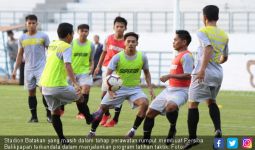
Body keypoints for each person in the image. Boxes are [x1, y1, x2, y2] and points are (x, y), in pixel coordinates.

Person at [87, 32, 155, 138]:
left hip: (134, 89)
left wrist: (150, 88)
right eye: (128, 41)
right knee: (101, 109)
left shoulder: (142, 57)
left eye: (133, 41)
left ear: (137, 43)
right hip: (118, 88)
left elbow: (147, 73)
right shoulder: (117, 57)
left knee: (145, 103)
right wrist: (109, 90)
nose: (131, 43)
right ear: (124, 42)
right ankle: (92, 132)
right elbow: (108, 74)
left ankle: (132, 131)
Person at [183, 5, 229, 149]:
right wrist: (215, 64)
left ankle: (192, 138)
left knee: (192, 104)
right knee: (211, 101)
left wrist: (202, 69)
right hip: (218, 74)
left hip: (204, 73)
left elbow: (208, 48)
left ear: (204, 18)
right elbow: (225, 57)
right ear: (218, 17)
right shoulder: (224, 35)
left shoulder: (202, 31)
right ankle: (218, 129)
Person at [140, 30, 194, 144]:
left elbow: (188, 74)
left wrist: (169, 75)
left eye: (175, 40)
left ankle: (172, 128)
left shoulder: (187, 56)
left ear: (184, 42)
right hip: (169, 89)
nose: (173, 42)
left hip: (182, 91)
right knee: (149, 113)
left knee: (171, 107)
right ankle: (146, 140)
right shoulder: (177, 55)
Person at [40, 22, 89, 144]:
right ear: (69, 35)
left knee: (55, 112)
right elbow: (68, 65)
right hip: (57, 85)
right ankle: (89, 118)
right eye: (72, 33)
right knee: (80, 96)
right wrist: (75, 83)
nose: (73, 36)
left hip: (45, 85)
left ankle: (62, 139)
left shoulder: (52, 44)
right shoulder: (66, 46)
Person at [12, 14, 51, 123]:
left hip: (41, 68)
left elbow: (50, 51)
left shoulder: (43, 36)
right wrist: (15, 70)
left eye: (33, 23)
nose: (31, 25)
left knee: (44, 91)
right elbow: (20, 54)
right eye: (29, 23)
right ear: (26, 24)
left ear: (37, 24)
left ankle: (49, 115)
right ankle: (34, 117)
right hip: (28, 69)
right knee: (31, 92)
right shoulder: (22, 38)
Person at [93, 16, 127, 127]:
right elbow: (103, 53)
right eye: (117, 26)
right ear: (114, 27)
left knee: (117, 95)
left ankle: (115, 119)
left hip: (119, 71)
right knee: (103, 95)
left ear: (125, 28)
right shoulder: (108, 38)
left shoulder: (127, 42)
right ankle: (106, 114)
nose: (119, 28)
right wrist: (98, 66)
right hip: (106, 68)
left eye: (122, 26)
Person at [71, 24, 94, 123]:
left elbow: (91, 59)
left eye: (86, 31)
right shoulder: (72, 43)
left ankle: (81, 113)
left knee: (85, 89)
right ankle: (83, 112)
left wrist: (92, 68)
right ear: (78, 31)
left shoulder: (91, 45)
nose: (84, 33)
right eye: (82, 31)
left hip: (85, 72)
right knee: (77, 94)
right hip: (72, 72)